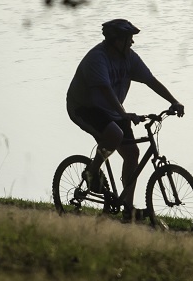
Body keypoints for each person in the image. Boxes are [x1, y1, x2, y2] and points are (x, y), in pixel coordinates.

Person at [66, 19, 185, 220]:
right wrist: (123, 114)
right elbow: (104, 91)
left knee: (132, 153)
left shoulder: (129, 58)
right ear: (116, 41)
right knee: (114, 134)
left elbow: (151, 80)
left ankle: (128, 209)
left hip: (111, 110)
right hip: (84, 107)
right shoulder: (98, 59)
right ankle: (91, 172)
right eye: (129, 38)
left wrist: (174, 101)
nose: (132, 42)